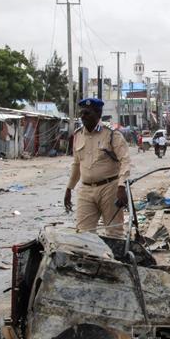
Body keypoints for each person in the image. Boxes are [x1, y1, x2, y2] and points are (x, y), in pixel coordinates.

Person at [64, 98, 131, 237]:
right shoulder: (78, 135)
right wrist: (69, 188)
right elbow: (76, 164)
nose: (83, 116)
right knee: (83, 233)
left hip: (110, 189)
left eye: (87, 113)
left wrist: (121, 186)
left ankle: (115, 258)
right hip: (86, 190)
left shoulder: (112, 134)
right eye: (82, 113)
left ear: (98, 114)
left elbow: (125, 161)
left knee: (114, 232)